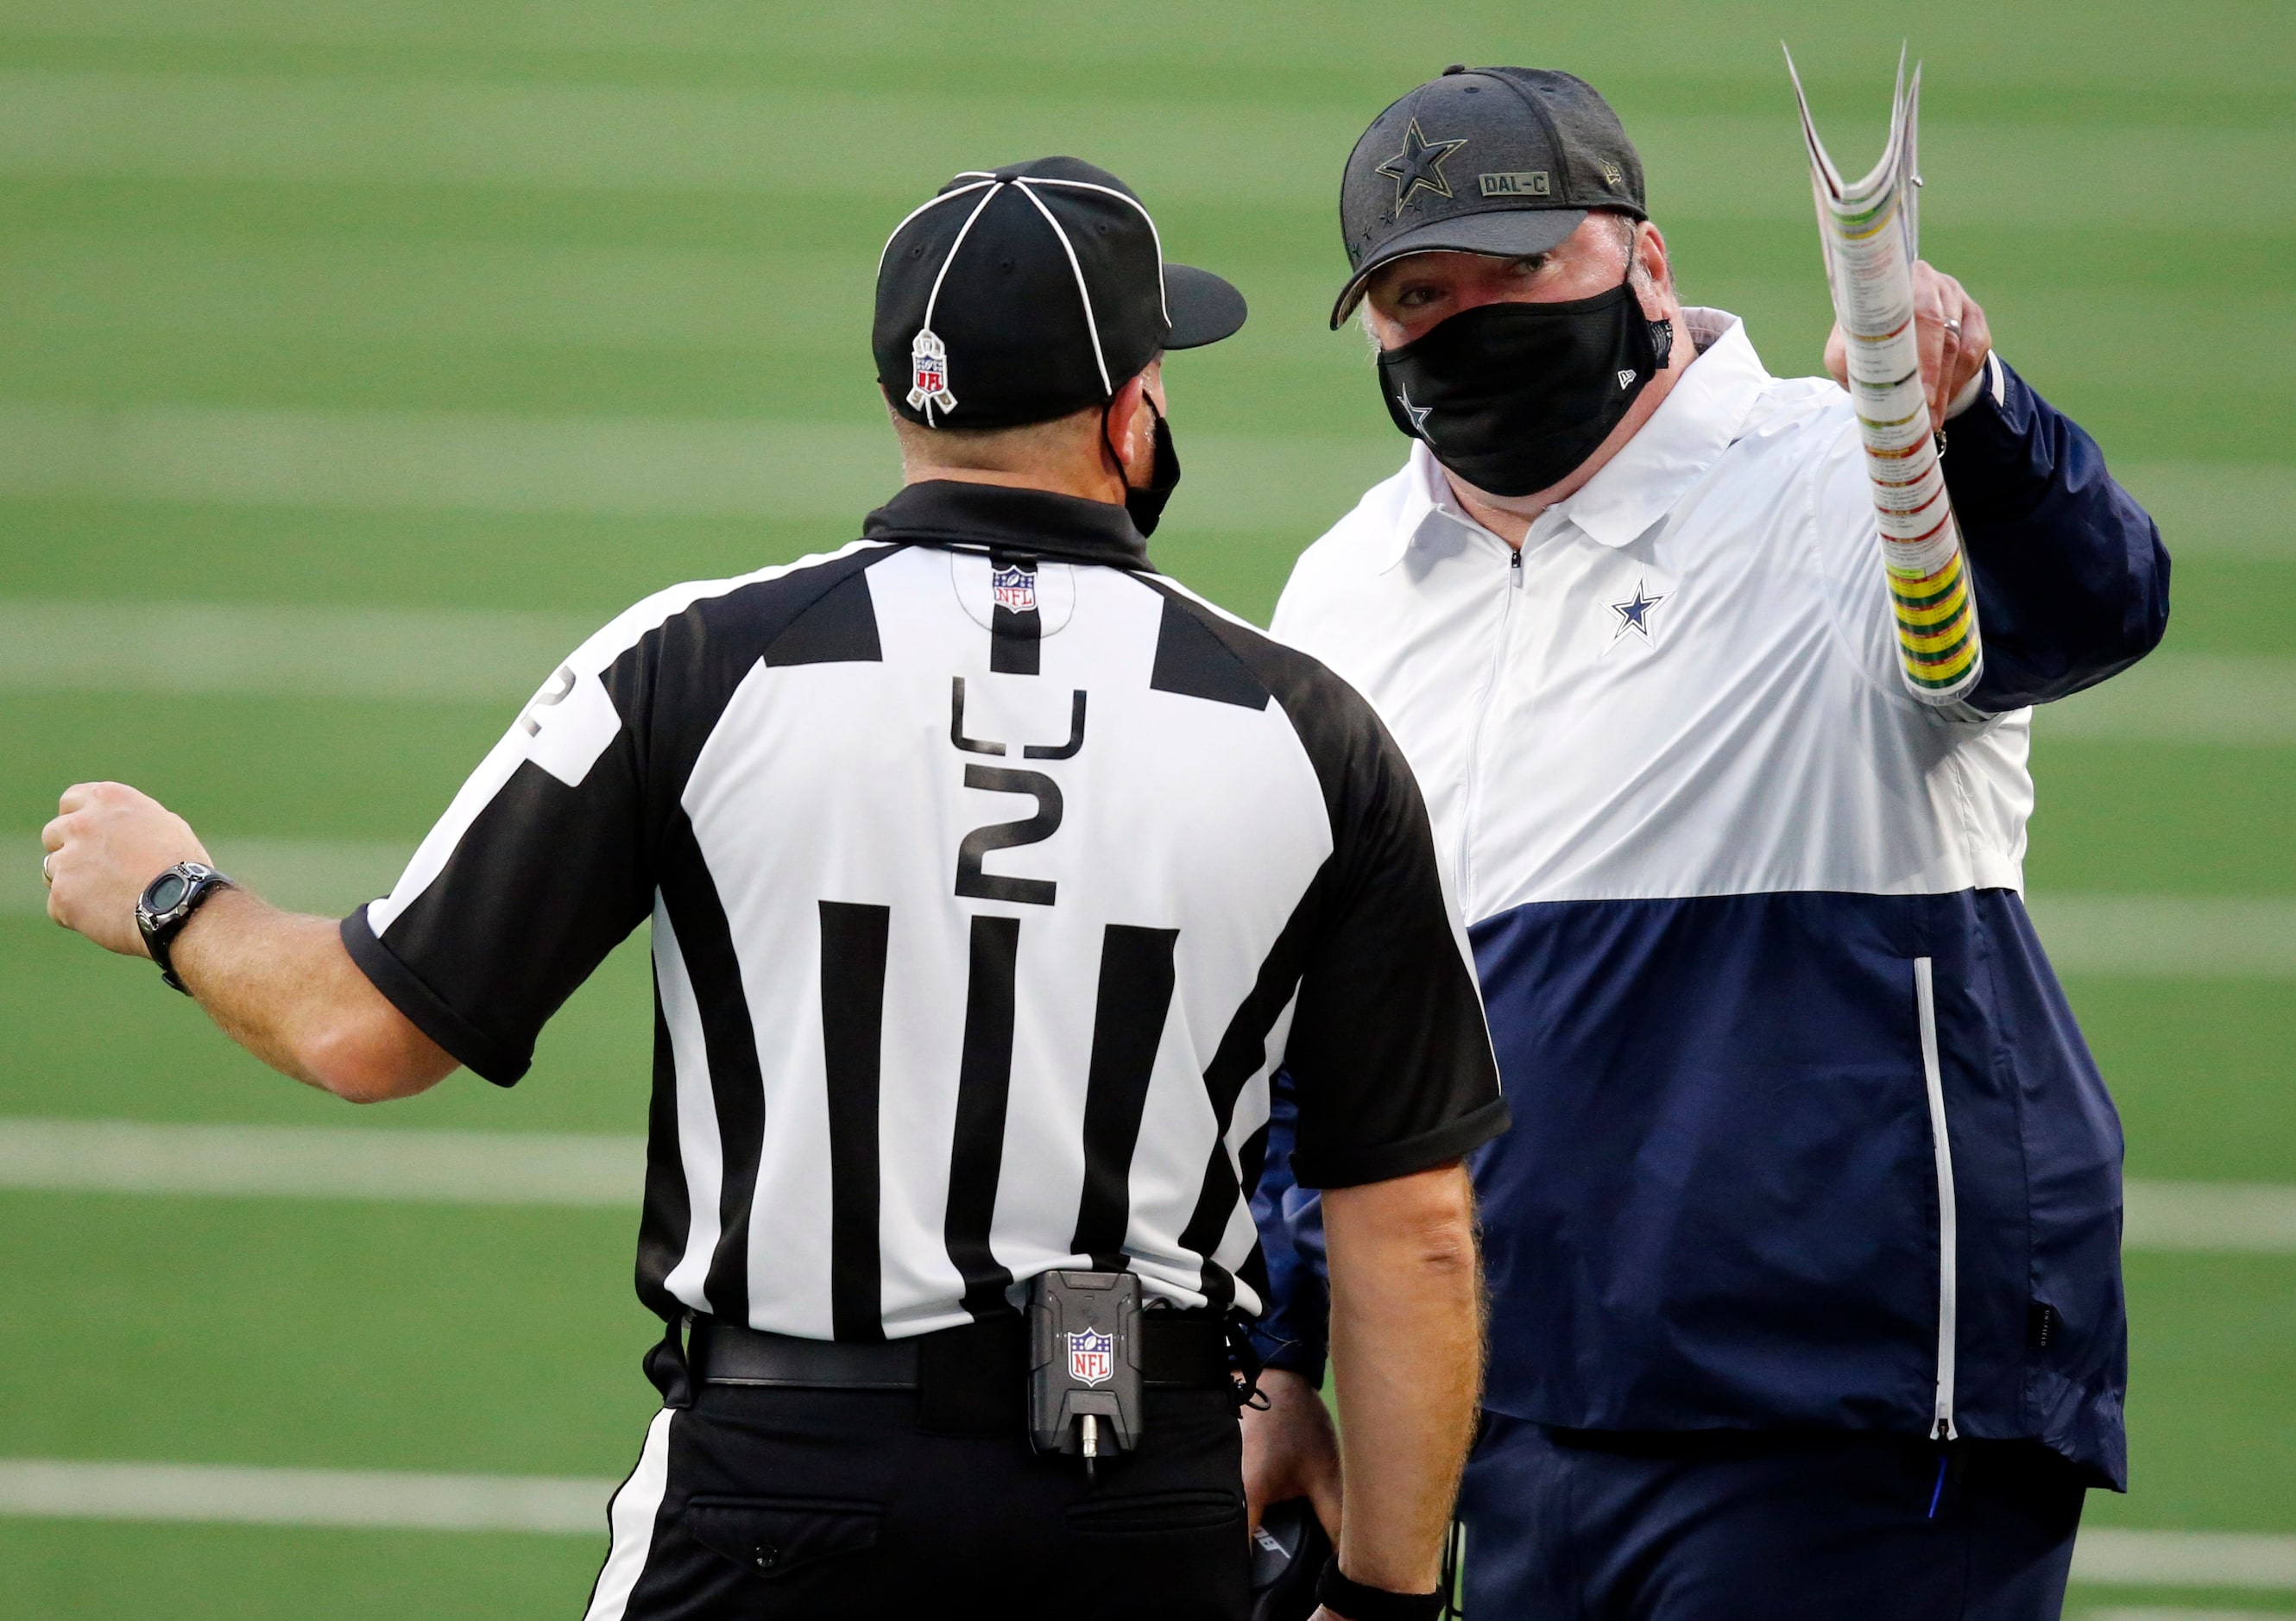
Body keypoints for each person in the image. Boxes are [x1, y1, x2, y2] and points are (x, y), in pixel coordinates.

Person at [41, 155, 1508, 1621]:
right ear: (1132, 412)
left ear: (906, 407)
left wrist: (174, 899)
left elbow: (365, 1028)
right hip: (1134, 1490)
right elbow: (1416, 1230)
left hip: (777, 1485)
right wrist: (1380, 1597)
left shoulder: (693, 661)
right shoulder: (1307, 733)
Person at [1241, 67, 2168, 1621]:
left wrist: (1973, 423)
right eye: (1418, 292)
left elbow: (2092, 603)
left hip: (1851, 1414)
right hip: (1517, 1410)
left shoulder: (1844, 471)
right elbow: (1327, 1033)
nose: (1469, 317)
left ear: (1646, 262)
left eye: (1519, 267)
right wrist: (1274, 1344)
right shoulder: (1347, 595)